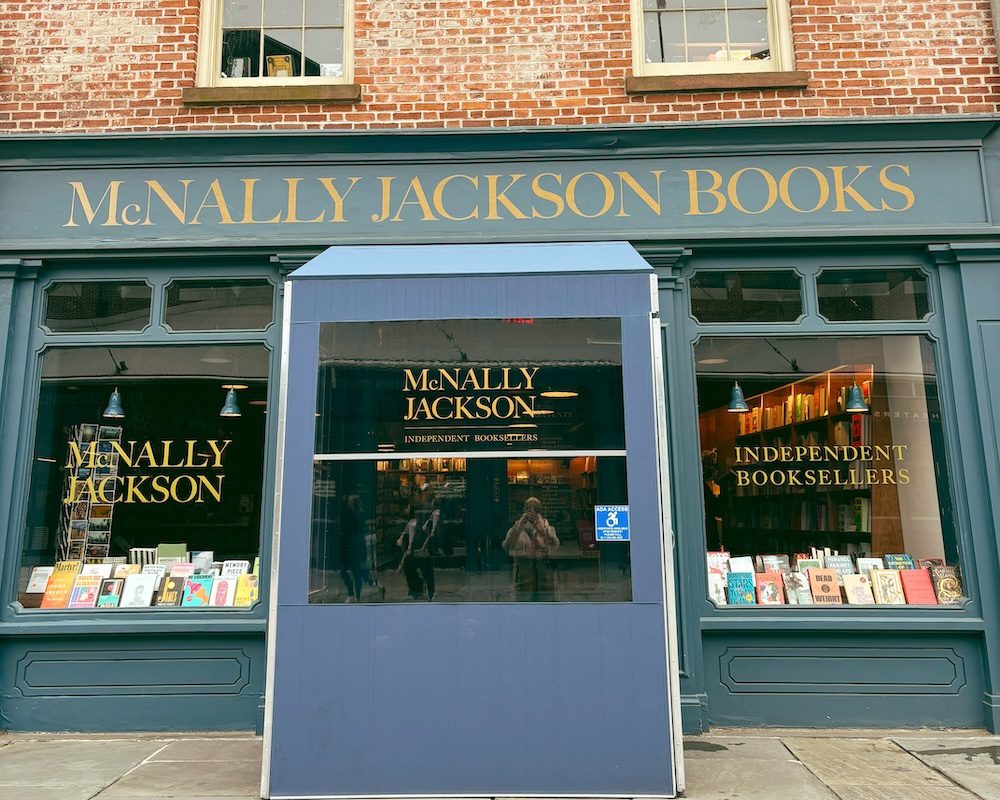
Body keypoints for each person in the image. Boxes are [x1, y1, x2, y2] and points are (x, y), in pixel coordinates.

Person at [502, 497, 559, 602]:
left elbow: (555, 549)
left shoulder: (548, 528)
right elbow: (507, 547)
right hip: (523, 578)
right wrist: (518, 528)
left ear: (540, 511)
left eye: (535, 509)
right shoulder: (516, 528)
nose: (532, 512)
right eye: (529, 509)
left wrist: (543, 532)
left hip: (544, 579)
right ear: (524, 510)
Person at [397, 505, 435, 600]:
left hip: (416, 550)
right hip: (419, 550)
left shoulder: (413, 524)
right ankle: (422, 589)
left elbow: (407, 540)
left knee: (414, 569)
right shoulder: (418, 524)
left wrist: (408, 548)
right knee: (423, 570)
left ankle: (417, 589)